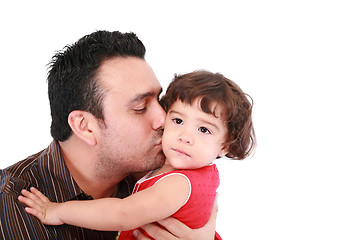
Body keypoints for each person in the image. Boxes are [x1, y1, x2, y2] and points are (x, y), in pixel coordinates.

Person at [0, 30, 217, 240]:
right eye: (141, 107)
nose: (164, 118)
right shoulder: (12, 205)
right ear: (85, 126)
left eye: (160, 101)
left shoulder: (164, 177)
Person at [18, 70, 256, 239]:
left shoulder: (179, 184)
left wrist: (57, 211)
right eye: (177, 120)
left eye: (203, 129)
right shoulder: (175, 167)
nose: (185, 135)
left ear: (225, 146)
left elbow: (123, 213)